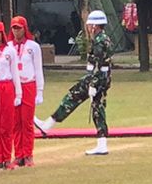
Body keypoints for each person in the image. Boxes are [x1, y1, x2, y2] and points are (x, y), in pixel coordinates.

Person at [35, 9, 115, 156]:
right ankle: (48, 124)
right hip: (98, 78)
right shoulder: (101, 39)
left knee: (85, 103)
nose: (88, 27)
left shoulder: (100, 41)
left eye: (90, 25)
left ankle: (48, 125)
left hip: (98, 79)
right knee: (88, 104)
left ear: (95, 26)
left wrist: (93, 84)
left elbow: (99, 64)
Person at [0, 21, 22, 171]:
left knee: (6, 124)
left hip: (6, 86)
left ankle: (6, 158)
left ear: (2, 34)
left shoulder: (10, 51)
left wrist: (18, 93)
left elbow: (15, 73)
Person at [10, 16, 44, 166]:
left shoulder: (33, 46)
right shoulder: (8, 46)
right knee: (15, 122)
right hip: (13, 86)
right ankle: (18, 154)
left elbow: (38, 69)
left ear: (25, 28)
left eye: (19, 28)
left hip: (28, 84)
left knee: (27, 121)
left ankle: (28, 153)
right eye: (14, 28)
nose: (17, 31)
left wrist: (40, 90)